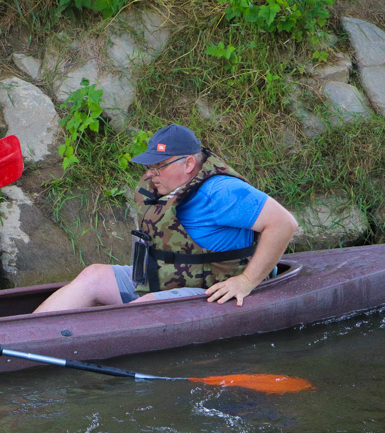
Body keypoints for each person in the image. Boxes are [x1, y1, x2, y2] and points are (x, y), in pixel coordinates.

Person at [34, 124, 298, 313]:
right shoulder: (162, 186)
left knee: (144, 309)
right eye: (149, 166)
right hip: (163, 278)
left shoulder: (222, 191)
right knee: (93, 276)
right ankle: (29, 333)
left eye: (159, 166)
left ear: (188, 165)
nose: (150, 175)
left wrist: (247, 281)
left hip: (211, 288)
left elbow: (284, 224)